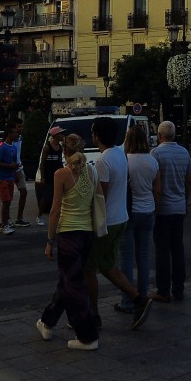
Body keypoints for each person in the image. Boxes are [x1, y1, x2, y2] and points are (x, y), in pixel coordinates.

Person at [84, 116, 152, 330]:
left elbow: (100, 195)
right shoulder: (120, 155)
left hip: (107, 221)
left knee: (88, 268)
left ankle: (93, 315)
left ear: (97, 136)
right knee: (107, 265)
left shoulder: (103, 161)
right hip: (121, 217)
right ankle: (138, 298)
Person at [36, 134, 101, 351]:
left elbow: (55, 210)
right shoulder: (92, 171)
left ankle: (87, 336)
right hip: (87, 233)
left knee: (73, 286)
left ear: (64, 151)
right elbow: (98, 199)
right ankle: (47, 322)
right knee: (68, 281)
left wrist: (49, 240)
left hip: (69, 233)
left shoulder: (62, 174)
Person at [117, 125, 161, 313]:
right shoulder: (152, 161)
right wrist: (155, 208)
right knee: (144, 256)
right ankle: (142, 295)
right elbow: (157, 189)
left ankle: (127, 300)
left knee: (126, 258)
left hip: (128, 212)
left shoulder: (125, 161)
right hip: (148, 211)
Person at [152, 121, 191, 302]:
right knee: (177, 248)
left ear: (159, 136)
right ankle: (179, 288)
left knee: (162, 250)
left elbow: (155, 183)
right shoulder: (184, 153)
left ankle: (163, 290)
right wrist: (185, 200)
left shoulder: (156, 154)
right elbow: (188, 180)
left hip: (163, 208)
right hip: (179, 206)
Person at [0, 119, 29, 234]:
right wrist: (11, 166)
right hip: (3, 176)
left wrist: (14, 171)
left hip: (11, 175)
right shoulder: (3, 146)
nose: (17, 133)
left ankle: (9, 221)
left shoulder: (14, 146)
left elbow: (14, 160)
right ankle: (4, 224)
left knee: (9, 200)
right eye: (15, 131)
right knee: (6, 201)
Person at [35, 126, 65, 226]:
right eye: (60, 134)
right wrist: (42, 177)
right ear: (55, 135)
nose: (62, 135)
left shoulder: (60, 147)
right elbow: (42, 163)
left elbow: (60, 162)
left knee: (59, 195)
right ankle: (39, 215)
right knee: (46, 196)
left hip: (57, 174)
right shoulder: (47, 147)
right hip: (48, 175)